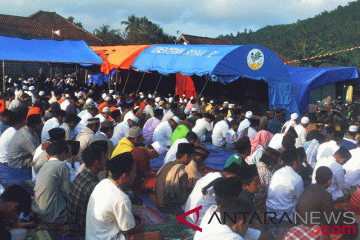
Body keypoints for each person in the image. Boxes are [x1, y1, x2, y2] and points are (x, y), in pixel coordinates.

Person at [86, 153, 140, 240]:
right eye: (134, 171)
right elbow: (129, 230)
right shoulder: (122, 199)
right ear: (125, 176)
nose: (135, 175)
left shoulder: (103, 182)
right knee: (157, 236)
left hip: (91, 237)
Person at [68, 141, 109, 237]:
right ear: (96, 162)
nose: (106, 159)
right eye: (104, 157)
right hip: (81, 231)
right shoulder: (93, 186)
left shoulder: (82, 174)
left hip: (73, 224)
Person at [32, 141, 72, 224]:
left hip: (39, 210)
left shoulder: (45, 165)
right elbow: (67, 192)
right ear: (64, 154)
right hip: (51, 215)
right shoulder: (62, 166)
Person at [154, 143, 195, 215]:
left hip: (157, 203)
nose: (191, 160)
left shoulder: (166, 165)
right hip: (169, 209)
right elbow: (182, 200)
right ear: (186, 156)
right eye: (191, 157)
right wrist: (191, 188)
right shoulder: (181, 172)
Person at [194, 197, 261, 240]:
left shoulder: (212, 232)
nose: (247, 228)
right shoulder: (235, 238)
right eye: (248, 224)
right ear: (242, 223)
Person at [266, 149, 304, 221]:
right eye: (299, 162)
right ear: (295, 163)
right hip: (285, 217)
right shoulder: (297, 178)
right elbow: (300, 200)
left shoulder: (276, 172)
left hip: (270, 213)